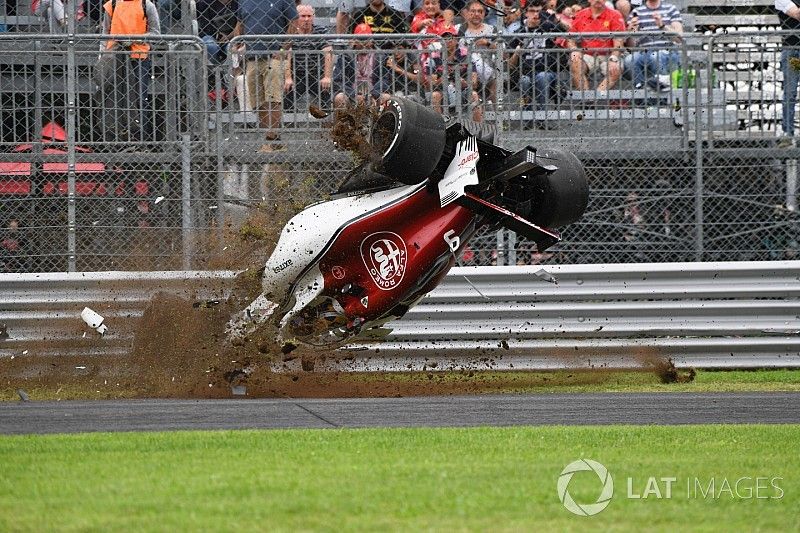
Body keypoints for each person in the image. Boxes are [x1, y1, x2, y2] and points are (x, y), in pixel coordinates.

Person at [236, 0, 297, 148]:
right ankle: (272, 137)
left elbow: (294, 23)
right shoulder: (243, 1)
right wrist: (240, 43)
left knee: (273, 98)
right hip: (252, 57)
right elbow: (239, 24)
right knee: (258, 101)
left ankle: (271, 138)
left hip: (273, 56)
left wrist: (282, 49)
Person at [101, 0, 161, 143]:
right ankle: (115, 139)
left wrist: (134, 39)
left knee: (139, 99)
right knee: (113, 99)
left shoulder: (146, 5)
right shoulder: (112, 4)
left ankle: (140, 140)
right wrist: (103, 55)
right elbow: (105, 33)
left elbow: (156, 34)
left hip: (139, 57)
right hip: (114, 57)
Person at [507, 0, 563, 129]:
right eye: (532, 11)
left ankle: (542, 117)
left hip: (547, 71)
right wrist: (516, 54)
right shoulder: (519, 33)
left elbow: (567, 31)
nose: (536, 14)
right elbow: (510, 65)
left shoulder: (549, 28)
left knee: (542, 77)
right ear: (526, 13)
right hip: (525, 72)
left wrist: (556, 19)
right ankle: (527, 117)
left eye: (539, 11)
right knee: (525, 80)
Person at [567, 0, 625, 91]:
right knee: (575, 62)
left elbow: (618, 43)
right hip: (588, 55)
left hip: (608, 55)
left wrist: (613, 58)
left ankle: (597, 96)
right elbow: (570, 39)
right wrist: (574, 50)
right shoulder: (580, 15)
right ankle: (586, 97)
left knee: (616, 69)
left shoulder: (615, 15)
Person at [284, 4, 333, 112]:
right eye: (303, 16)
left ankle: (327, 120)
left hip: (316, 74)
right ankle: (293, 120)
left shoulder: (320, 31)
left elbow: (328, 53)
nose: (306, 19)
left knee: (328, 97)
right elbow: (287, 55)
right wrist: (288, 78)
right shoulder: (291, 32)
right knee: (286, 98)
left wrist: (327, 76)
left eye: (309, 16)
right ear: (297, 17)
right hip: (297, 75)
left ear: (313, 17)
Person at [428, 25, 482, 122]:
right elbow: (432, 83)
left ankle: (479, 128)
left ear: (456, 39)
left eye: (449, 38)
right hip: (443, 91)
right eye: (443, 39)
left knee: (474, 95)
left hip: (463, 90)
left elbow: (474, 83)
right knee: (435, 95)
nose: (447, 41)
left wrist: (465, 83)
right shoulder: (435, 57)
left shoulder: (466, 55)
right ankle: (439, 127)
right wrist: (442, 80)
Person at [626, 0, 682, 90]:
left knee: (655, 56)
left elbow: (679, 38)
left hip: (668, 50)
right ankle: (641, 88)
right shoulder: (637, 12)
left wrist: (662, 26)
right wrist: (632, 32)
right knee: (629, 60)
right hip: (644, 52)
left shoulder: (671, 9)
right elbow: (631, 46)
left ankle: (664, 86)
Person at [456, 0, 498, 104]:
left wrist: (488, 43)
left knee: (496, 81)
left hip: (488, 72)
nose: (476, 14)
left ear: (484, 13)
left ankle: (498, 112)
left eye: (480, 11)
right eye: (473, 11)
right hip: (466, 71)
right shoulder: (459, 30)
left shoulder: (492, 30)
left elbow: (503, 52)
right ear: (467, 13)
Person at [776, 0, 800, 139]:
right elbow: (797, 14)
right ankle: (788, 133)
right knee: (790, 92)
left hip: (793, 51)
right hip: (793, 52)